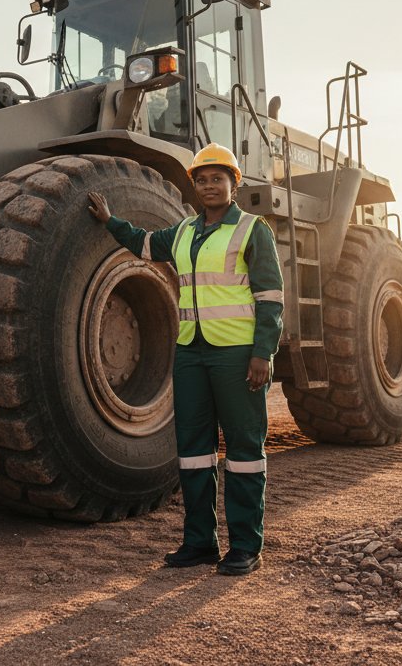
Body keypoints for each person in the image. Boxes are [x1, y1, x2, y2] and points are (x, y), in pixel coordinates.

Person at [87, 143, 283, 576]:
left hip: (236, 354)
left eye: (218, 178)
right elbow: (143, 245)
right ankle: (199, 542)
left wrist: (262, 353)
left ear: (234, 184)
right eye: (202, 179)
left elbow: (270, 297)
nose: (210, 185)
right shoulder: (184, 231)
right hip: (191, 351)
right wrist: (109, 222)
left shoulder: (253, 230)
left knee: (244, 452)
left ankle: (246, 546)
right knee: (193, 452)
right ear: (193, 186)